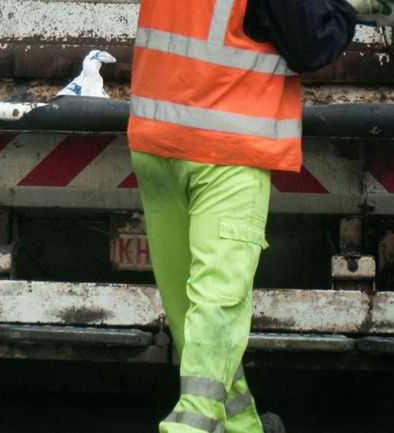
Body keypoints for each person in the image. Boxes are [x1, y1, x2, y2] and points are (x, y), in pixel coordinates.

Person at [128, 1, 354, 433]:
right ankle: (189, 427)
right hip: (225, 149)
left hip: (157, 140)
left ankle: (243, 426)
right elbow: (310, 43)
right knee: (218, 303)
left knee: (191, 311)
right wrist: (345, 11)